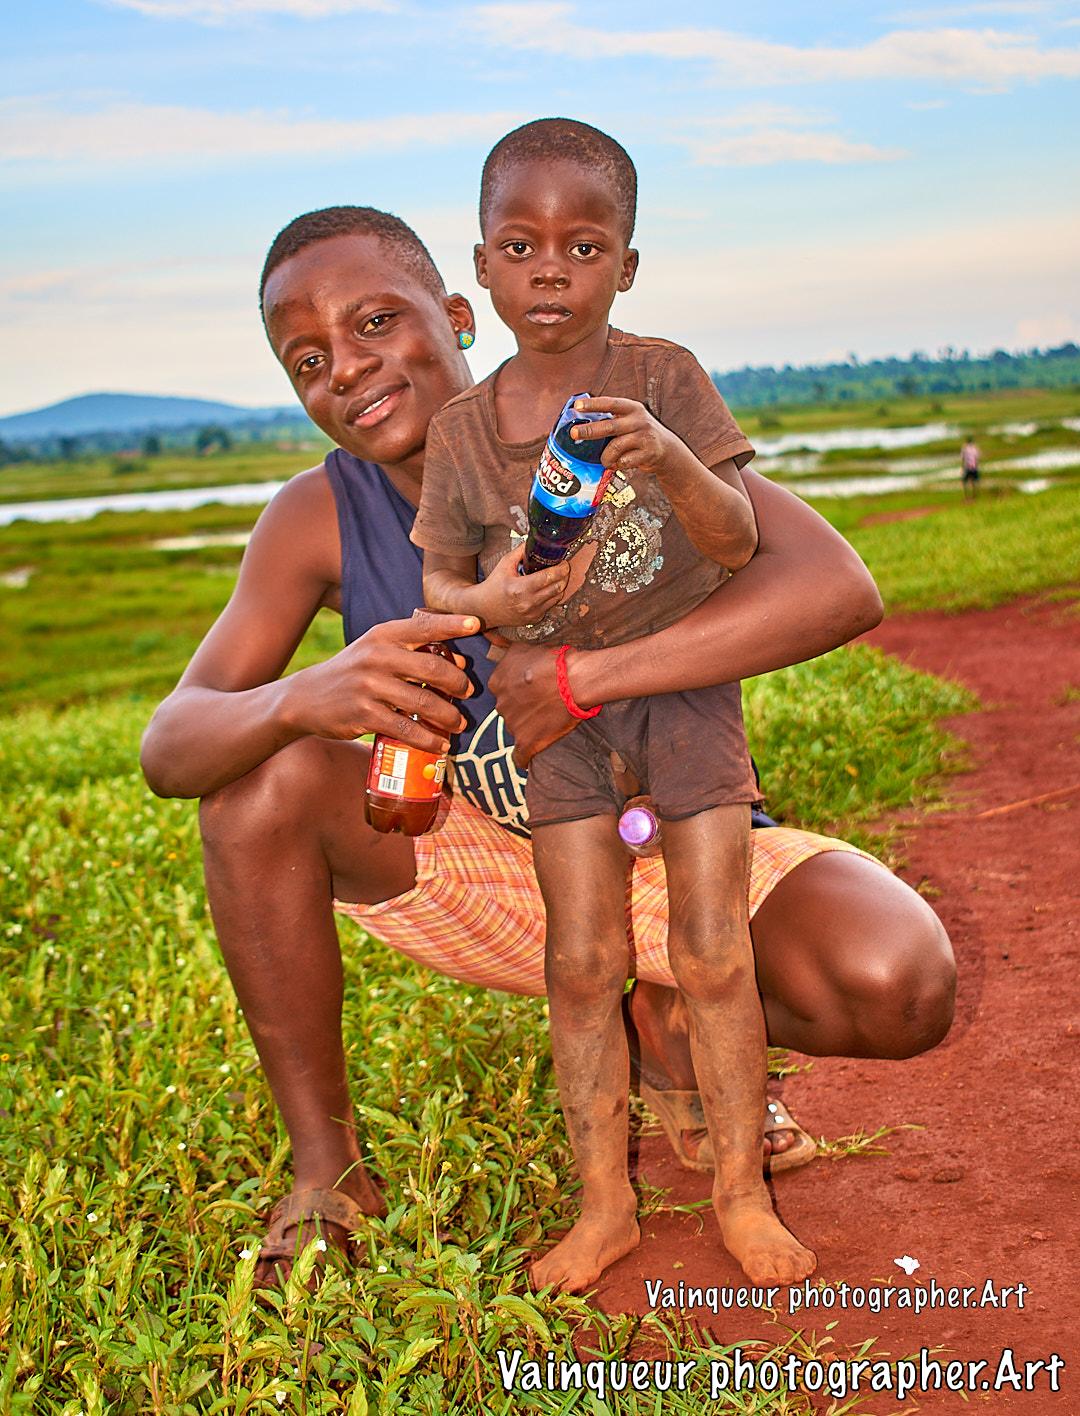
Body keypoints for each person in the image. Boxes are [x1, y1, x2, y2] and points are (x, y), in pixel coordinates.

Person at [139, 203, 956, 1293]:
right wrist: (307, 696)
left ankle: (665, 1023)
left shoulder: (590, 434)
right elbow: (173, 744)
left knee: (897, 980)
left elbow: (837, 587)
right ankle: (329, 1177)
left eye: (376, 322)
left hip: (665, 845)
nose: (348, 368)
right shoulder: (316, 516)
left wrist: (584, 680)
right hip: (490, 866)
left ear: (459, 314)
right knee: (258, 785)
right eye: (309, 360)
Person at [414, 118, 812, 1292]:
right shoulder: (462, 432)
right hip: (561, 725)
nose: (552, 271)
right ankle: (606, 1209)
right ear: (482, 267)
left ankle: (741, 1196)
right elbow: (442, 585)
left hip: (682, 694)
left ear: (625, 266)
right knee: (581, 962)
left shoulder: (662, 378)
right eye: (521, 247)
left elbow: (736, 541)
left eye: (583, 248)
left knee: (713, 951)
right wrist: (488, 600)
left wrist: (669, 458)